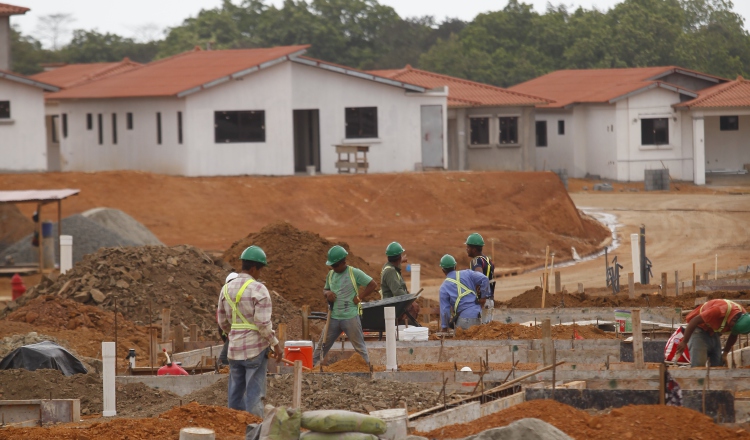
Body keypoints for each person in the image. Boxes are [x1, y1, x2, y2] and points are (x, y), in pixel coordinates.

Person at [217, 246, 282, 416]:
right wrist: (275, 344)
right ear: (254, 268)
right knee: (255, 395)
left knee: (235, 395)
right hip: (255, 350)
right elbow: (262, 323)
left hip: (234, 350)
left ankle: (234, 429)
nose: (260, 274)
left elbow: (222, 322)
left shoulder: (226, 289)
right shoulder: (258, 289)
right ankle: (254, 431)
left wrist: (234, 335)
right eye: (260, 270)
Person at [313, 245, 377, 365]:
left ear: (343, 262)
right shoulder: (331, 275)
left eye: (336, 265)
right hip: (333, 316)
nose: (334, 268)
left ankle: (367, 369)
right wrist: (328, 293)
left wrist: (359, 297)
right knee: (321, 346)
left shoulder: (354, 273)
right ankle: (312, 368)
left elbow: (373, 284)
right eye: (332, 266)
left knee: (360, 348)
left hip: (350, 317)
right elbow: (325, 289)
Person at [674, 299, 750, 368]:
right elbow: (694, 321)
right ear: (734, 319)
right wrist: (684, 341)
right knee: (699, 365)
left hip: (713, 331)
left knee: (718, 364)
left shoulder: (743, 317)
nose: (731, 329)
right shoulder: (718, 310)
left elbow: (734, 334)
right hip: (699, 328)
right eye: (732, 327)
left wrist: (725, 354)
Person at [439, 254, 490, 332]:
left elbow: (445, 311)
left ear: (443, 270)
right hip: (478, 315)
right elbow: (485, 279)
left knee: (461, 343)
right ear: (455, 266)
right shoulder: (468, 273)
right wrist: (483, 298)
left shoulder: (443, 288)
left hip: (463, 320)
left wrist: (444, 327)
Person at [465, 233, 496, 324]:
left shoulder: (476, 261)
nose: (466, 250)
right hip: (490, 300)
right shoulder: (488, 260)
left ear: (474, 249)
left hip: (482, 301)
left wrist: (481, 297)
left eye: (468, 247)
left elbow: (480, 277)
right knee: (488, 329)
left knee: (480, 331)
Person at [218, 272, 239, 367]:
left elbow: (221, 323)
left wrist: (230, 334)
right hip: (245, 336)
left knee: (223, 362)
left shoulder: (225, 295)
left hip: (234, 335)